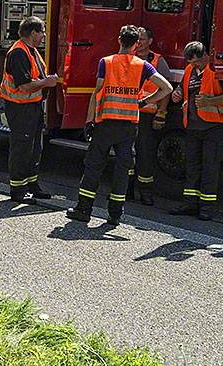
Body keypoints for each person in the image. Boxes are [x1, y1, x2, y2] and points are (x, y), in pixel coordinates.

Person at [66, 25, 172, 226]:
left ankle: (83, 210)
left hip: (105, 124)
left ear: (118, 40)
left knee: (93, 168)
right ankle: (115, 215)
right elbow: (166, 87)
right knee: (122, 171)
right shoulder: (143, 66)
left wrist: (89, 120)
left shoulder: (106, 62)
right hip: (128, 127)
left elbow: (96, 94)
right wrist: (145, 102)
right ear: (135, 44)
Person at [170, 41, 223, 220]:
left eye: (197, 62)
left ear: (206, 55)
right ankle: (189, 203)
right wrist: (177, 94)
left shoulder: (217, 71)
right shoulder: (190, 71)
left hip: (214, 128)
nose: (194, 65)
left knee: (210, 167)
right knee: (192, 167)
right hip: (192, 127)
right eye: (191, 62)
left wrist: (210, 102)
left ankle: (206, 206)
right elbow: (182, 89)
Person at [0, 16, 58, 202]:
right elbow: (24, 85)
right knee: (22, 150)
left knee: (34, 149)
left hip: (32, 107)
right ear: (32, 32)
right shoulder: (19, 52)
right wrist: (47, 82)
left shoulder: (30, 51)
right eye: (42, 31)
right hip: (20, 108)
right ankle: (18, 190)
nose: (44, 35)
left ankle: (32, 185)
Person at [129, 26, 171, 206]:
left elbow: (166, 90)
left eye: (142, 40)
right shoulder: (128, 58)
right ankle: (126, 190)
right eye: (136, 40)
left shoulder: (158, 61)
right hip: (128, 114)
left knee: (145, 155)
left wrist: (161, 113)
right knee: (126, 154)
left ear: (150, 41)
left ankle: (146, 192)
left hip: (146, 116)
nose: (138, 43)